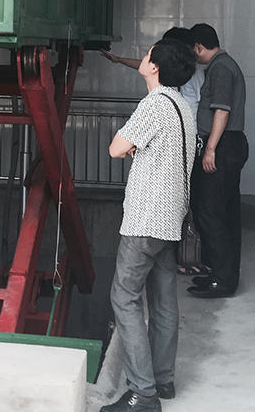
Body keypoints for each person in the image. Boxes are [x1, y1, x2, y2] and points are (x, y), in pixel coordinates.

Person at [100, 38, 197, 412]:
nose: (142, 58)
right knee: (164, 301)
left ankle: (142, 392)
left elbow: (116, 147)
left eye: (147, 54)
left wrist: (130, 146)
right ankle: (163, 380)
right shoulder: (182, 106)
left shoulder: (154, 104)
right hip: (171, 218)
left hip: (145, 219)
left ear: (154, 66)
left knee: (124, 297)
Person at [185, 23, 248, 299]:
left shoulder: (221, 68)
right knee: (225, 213)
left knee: (210, 212)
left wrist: (210, 148)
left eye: (193, 50)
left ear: (199, 47)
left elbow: (222, 110)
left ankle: (222, 279)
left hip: (223, 146)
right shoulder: (224, 65)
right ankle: (223, 274)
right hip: (227, 145)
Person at [100, 27, 205, 117]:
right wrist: (118, 59)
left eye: (150, 55)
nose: (147, 59)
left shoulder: (156, 102)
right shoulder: (168, 94)